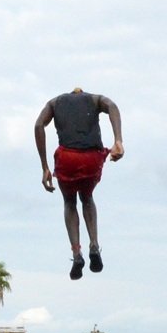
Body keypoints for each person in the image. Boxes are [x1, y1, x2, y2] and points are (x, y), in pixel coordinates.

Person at [33, 87, 125, 279]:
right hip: (91, 159)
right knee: (87, 197)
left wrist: (45, 167)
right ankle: (94, 245)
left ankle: (76, 254)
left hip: (68, 158)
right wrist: (118, 140)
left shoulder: (55, 102)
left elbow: (38, 125)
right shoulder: (94, 99)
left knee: (69, 202)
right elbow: (112, 106)